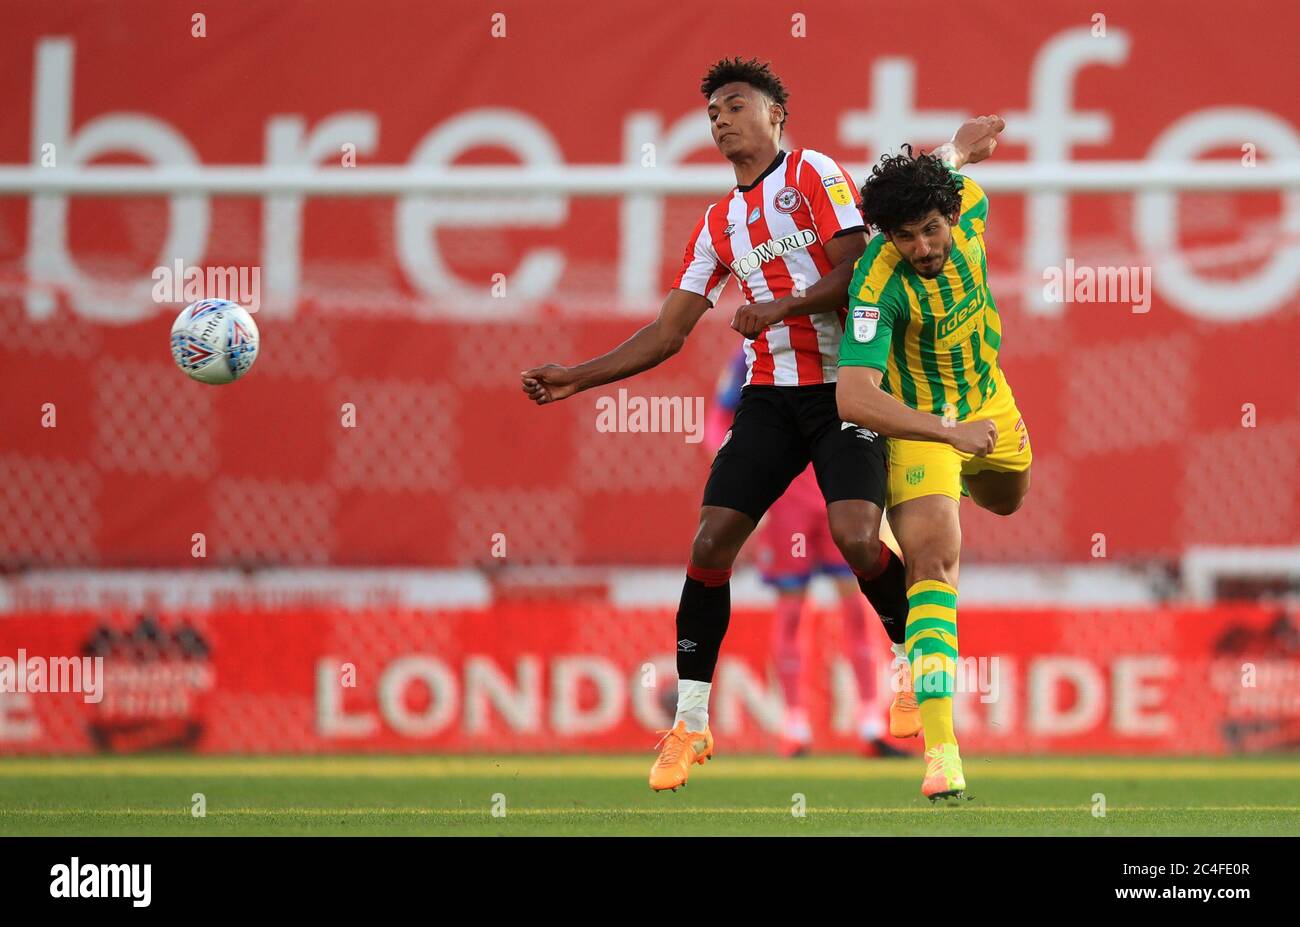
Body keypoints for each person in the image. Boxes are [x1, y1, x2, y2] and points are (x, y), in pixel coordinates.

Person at [521, 57, 913, 791]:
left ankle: (914, 667)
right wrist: (576, 376)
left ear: (776, 115)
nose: (722, 119)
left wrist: (782, 307)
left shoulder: (814, 175)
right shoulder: (716, 224)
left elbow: (856, 274)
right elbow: (667, 332)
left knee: (861, 538)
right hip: (769, 397)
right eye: (713, 114)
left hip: (843, 389)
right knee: (709, 543)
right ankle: (692, 724)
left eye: (736, 105)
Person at [834, 117, 1033, 799]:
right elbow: (854, 396)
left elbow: (950, 170)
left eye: (930, 230)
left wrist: (959, 145)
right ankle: (942, 751)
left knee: (1009, 498)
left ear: (950, 214)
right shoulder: (875, 281)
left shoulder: (968, 204)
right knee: (933, 561)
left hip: (991, 404)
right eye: (904, 236)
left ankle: (965, 483)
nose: (921, 247)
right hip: (923, 426)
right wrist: (945, 434)